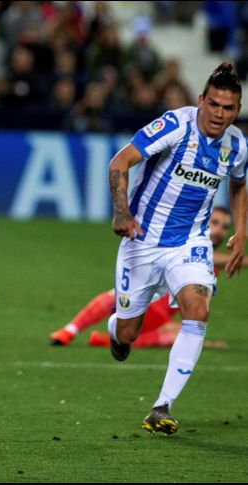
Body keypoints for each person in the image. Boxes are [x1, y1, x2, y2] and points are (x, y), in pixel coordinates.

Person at [107, 62, 246, 435]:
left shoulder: (236, 145)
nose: (219, 114)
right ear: (201, 101)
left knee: (198, 311)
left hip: (190, 241)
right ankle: (115, 330)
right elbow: (120, 161)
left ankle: (162, 405)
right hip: (142, 239)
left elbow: (238, 184)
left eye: (228, 108)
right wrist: (122, 211)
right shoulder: (174, 125)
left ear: (237, 110)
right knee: (128, 334)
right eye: (214, 104)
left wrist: (242, 232)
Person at [49, 207, 244, 348]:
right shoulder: (192, 247)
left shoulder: (200, 249)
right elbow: (215, 258)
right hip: (153, 307)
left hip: (158, 312)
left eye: (225, 227)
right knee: (175, 334)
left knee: (116, 297)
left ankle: (71, 330)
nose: (220, 230)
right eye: (215, 223)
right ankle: (90, 336)